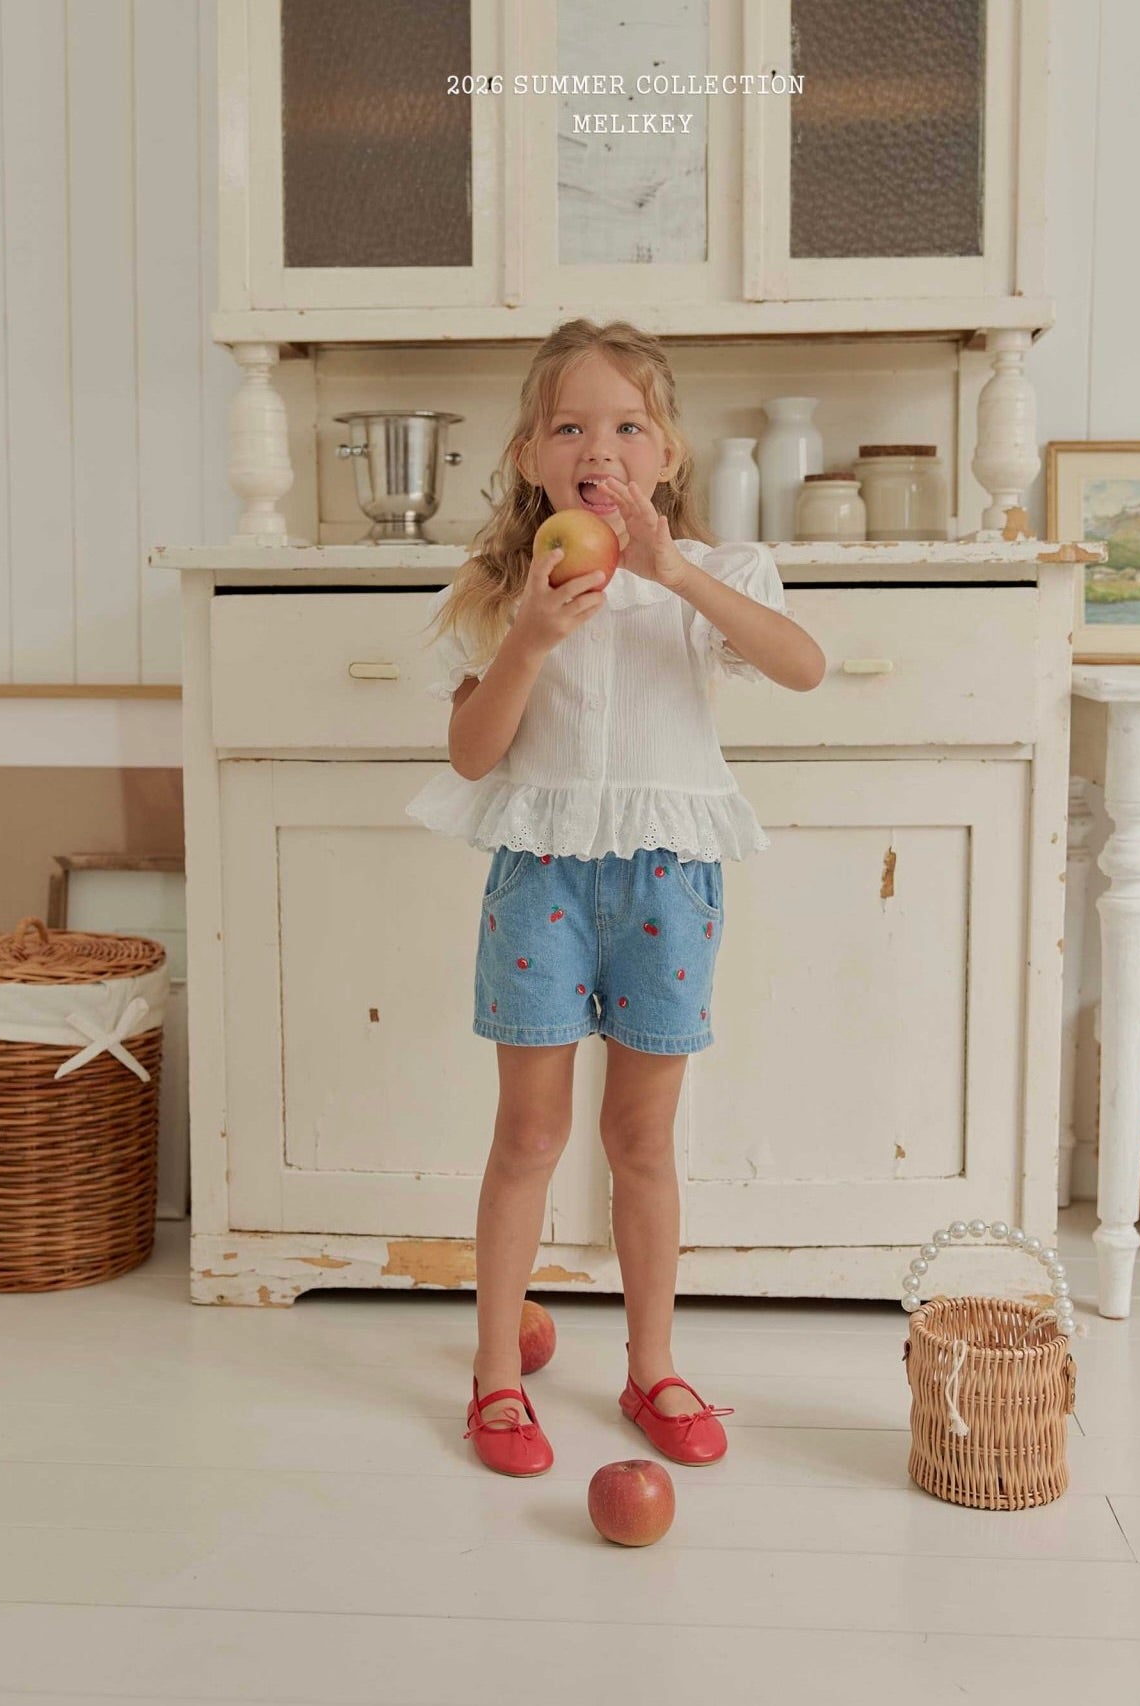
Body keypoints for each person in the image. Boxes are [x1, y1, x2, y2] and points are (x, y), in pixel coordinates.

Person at [405, 318, 826, 1477]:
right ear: (532, 454)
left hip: (664, 879)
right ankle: (496, 1372)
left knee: (640, 1138)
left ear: (669, 451)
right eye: (571, 424)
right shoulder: (503, 584)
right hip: (539, 875)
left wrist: (671, 569)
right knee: (526, 1133)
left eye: (629, 423)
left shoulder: (717, 573)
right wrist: (530, 639)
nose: (602, 444)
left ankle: (652, 1364)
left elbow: (801, 666)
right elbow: (471, 756)